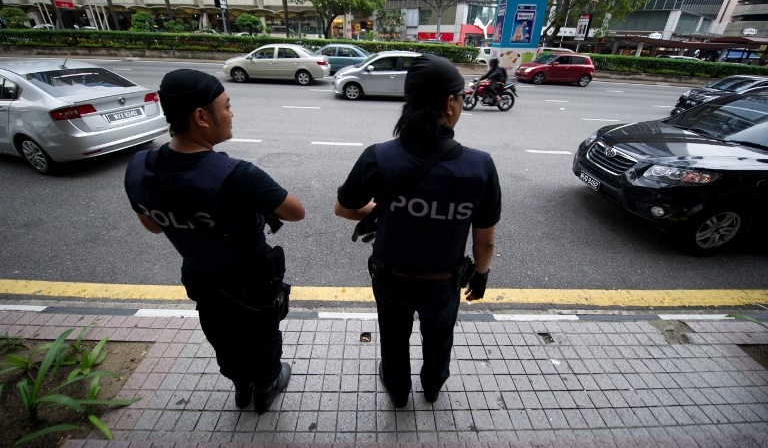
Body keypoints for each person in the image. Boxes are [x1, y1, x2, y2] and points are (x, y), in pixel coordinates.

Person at [124, 69, 305, 413]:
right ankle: (266, 386)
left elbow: (153, 226)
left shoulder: (139, 167)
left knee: (222, 335)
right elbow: (296, 212)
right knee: (262, 335)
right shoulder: (238, 175)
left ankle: (242, 387)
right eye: (227, 106)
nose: (231, 113)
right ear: (201, 117)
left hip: (201, 279)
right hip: (251, 283)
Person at [334, 54, 501, 407]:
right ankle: (433, 386)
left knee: (393, 337)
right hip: (442, 282)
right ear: (449, 104)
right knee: (439, 338)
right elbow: (484, 239)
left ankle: (398, 391)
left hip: (390, 276)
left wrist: (386, 210)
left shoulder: (378, 157)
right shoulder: (479, 166)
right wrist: (482, 275)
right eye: (462, 97)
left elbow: (344, 208)